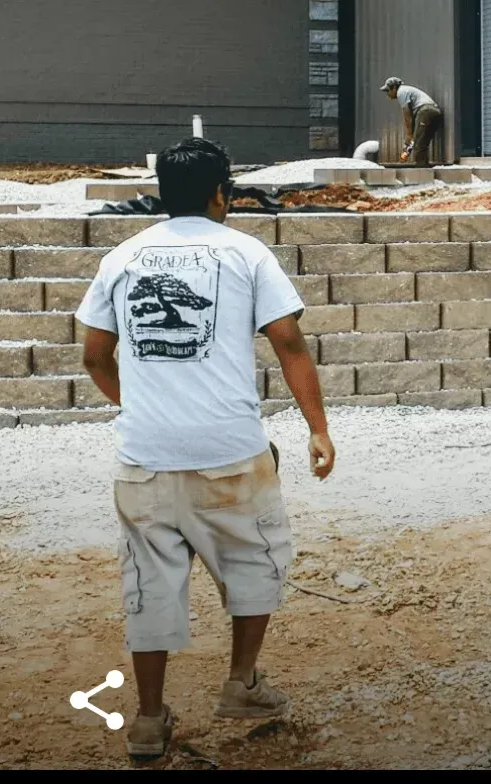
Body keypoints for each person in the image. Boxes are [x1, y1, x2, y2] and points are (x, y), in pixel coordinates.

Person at [77, 136, 337, 761]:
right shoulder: (247, 254)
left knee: (149, 582)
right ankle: (242, 683)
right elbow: (290, 344)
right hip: (232, 450)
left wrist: (138, 405)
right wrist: (317, 429)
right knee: (256, 562)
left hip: (145, 456)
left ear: (163, 194)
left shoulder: (123, 256)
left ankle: (146, 720)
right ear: (222, 193)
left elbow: (93, 354)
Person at [381, 77, 443, 164]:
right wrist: (409, 140)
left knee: (418, 144)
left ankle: (421, 172)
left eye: (388, 91)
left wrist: (409, 135)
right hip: (433, 112)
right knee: (421, 143)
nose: (387, 94)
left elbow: (407, 114)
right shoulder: (407, 91)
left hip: (426, 111)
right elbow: (412, 120)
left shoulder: (401, 92)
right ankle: (424, 168)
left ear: (394, 88)